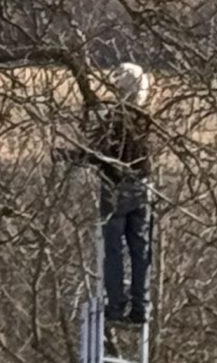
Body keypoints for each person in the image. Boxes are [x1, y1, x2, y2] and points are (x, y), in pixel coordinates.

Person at [64, 63, 155, 325]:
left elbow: (98, 154)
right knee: (141, 250)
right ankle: (141, 307)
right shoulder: (144, 120)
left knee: (114, 249)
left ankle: (115, 306)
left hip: (116, 189)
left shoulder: (116, 120)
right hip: (141, 186)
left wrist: (68, 154)